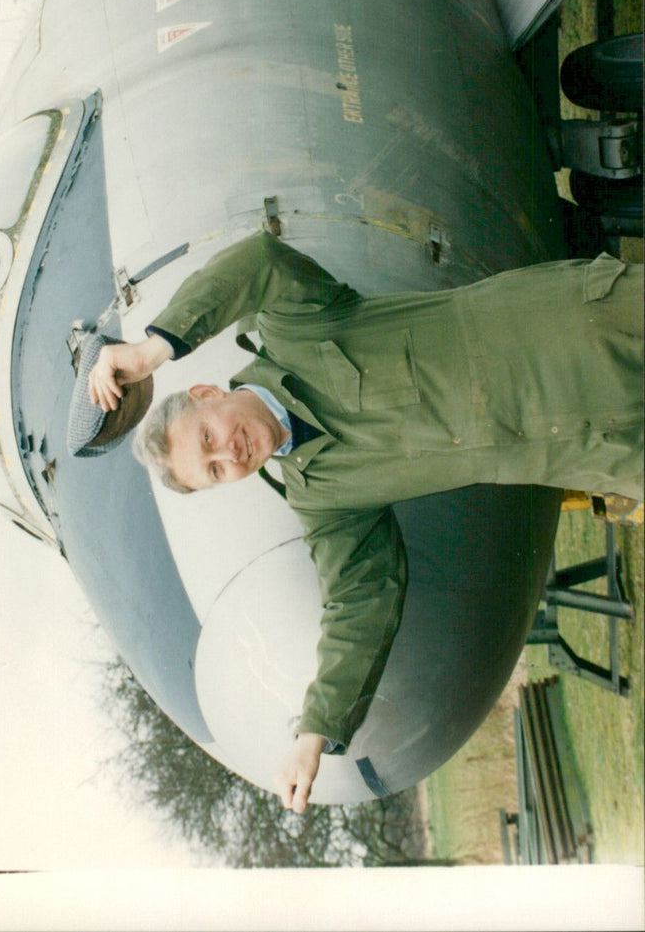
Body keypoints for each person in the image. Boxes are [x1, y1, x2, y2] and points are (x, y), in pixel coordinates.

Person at [86, 231, 644, 811]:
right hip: (603, 448)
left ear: (207, 393)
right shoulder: (323, 501)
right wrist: (314, 732)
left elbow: (261, 262)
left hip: (594, 331)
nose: (230, 453)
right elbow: (361, 600)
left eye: (209, 436)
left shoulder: (300, 330)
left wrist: (153, 350)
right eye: (216, 470)